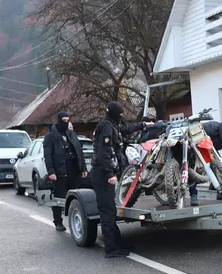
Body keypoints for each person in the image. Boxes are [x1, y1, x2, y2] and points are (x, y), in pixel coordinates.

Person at [91, 101, 150, 258]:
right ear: (115, 114)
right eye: (121, 114)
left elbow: (126, 129)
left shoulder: (112, 125)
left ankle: (117, 244)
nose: (122, 116)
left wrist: (143, 125)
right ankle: (111, 249)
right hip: (102, 174)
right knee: (107, 212)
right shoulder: (106, 127)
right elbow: (103, 153)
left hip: (104, 173)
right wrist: (110, 174)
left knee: (110, 210)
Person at [44, 111, 86, 232]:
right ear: (59, 120)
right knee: (58, 198)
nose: (66, 123)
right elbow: (48, 155)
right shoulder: (50, 136)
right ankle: (58, 222)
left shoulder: (71, 134)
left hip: (74, 170)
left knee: (77, 197)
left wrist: (83, 168)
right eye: (64, 120)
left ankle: (77, 219)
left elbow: (79, 151)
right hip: (59, 172)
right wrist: (51, 172)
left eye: (68, 120)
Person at [188, 121, 222, 206]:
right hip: (197, 147)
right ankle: (193, 194)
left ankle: (219, 190)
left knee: (220, 165)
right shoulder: (211, 128)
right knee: (193, 167)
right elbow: (195, 135)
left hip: (212, 149)